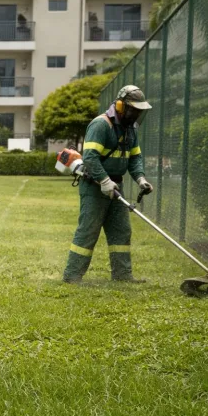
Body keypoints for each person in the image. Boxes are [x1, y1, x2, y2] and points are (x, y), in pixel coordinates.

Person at [63, 84, 154, 283]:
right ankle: (72, 276)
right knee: (88, 231)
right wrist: (104, 181)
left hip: (116, 188)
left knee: (121, 231)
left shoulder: (131, 130)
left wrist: (141, 179)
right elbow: (90, 158)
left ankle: (122, 275)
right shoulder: (101, 125)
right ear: (120, 106)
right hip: (95, 186)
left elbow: (134, 158)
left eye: (139, 111)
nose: (136, 114)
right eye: (133, 109)